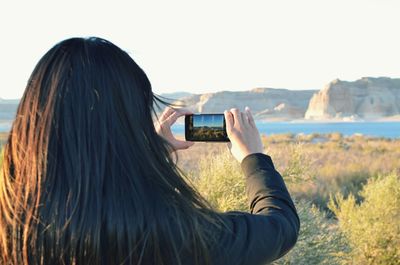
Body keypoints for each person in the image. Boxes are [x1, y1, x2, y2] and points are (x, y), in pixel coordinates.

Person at [0, 37, 299, 265]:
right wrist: (253, 157)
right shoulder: (169, 232)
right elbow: (279, 227)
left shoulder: (12, 221)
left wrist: (146, 154)